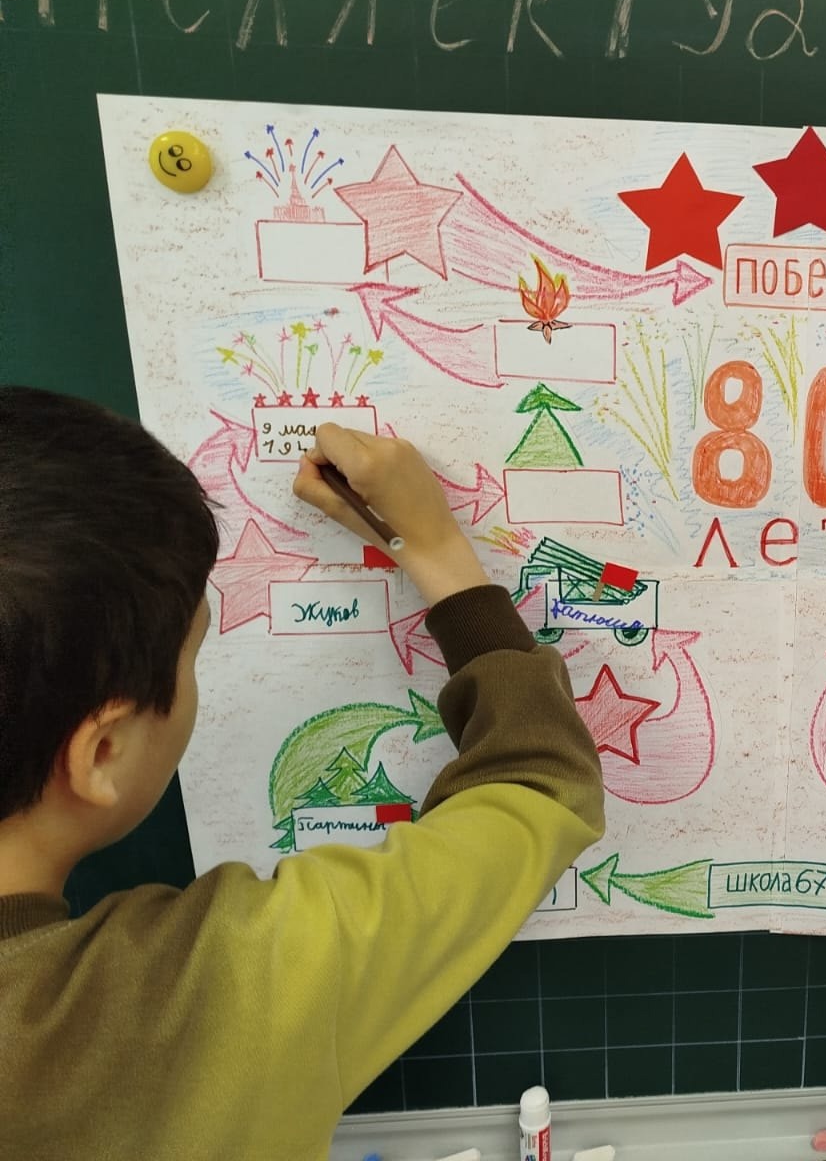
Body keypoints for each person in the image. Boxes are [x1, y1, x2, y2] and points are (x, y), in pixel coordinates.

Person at [0, 387, 603, 1155]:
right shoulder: (226, 983)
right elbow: (542, 779)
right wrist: (432, 547)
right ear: (104, 751)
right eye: (195, 654)